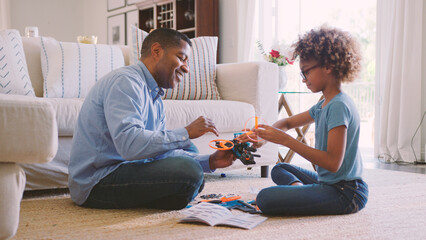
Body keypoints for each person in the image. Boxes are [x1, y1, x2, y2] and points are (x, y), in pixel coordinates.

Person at [68, 28, 236, 210]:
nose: (187, 68)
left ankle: (173, 193)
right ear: (156, 51)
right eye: (181, 58)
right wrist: (186, 132)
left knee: (191, 157)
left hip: (127, 168)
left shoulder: (154, 95)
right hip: (98, 182)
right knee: (190, 172)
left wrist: (210, 161)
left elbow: (160, 151)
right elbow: (130, 146)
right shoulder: (126, 81)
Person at [238, 25, 368, 215]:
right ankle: (300, 190)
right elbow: (288, 123)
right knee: (280, 168)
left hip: (346, 193)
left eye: (306, 72)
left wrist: (285, 140)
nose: (303, 79)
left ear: (328, 66)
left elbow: (333, 163)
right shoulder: (324, 104)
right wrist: (263, 137)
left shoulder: (338, 106)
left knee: (265, 198)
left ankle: (300, 192)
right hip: (329, 184)